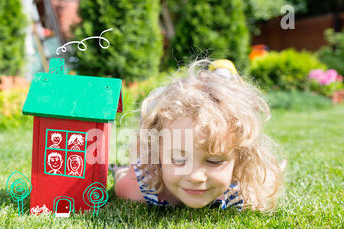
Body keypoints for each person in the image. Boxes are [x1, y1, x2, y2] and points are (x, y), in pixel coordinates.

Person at [114, 59, 285, 212]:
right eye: (179, 159)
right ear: (158, 155)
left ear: (239, 159)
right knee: (133, 158)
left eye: (214, 161)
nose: (195, 177)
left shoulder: (244, 194)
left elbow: (262, 184)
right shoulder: (136, 189)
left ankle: (225, 79)